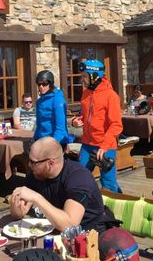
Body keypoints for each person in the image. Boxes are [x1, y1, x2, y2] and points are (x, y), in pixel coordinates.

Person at [10, 137, 116, 232]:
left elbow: (70, 225)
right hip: (55, 231)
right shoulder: (37, 174)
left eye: (34, 162)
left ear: (50, 163)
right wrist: (17, 211)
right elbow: (18, 213)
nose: (29, 165)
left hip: (90, 235)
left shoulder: (78, 177)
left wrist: (37, 198)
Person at [69, 60, 123, 193]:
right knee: (80, 177)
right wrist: (75, 121)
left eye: (85, 76)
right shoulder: (86, 93)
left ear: (94, 75)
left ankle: (114, 209)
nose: (83, 79)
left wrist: (104, 147)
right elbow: (84, 114)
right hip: (87, 143)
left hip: (106, 145)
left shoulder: (111, 96)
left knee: (108, 182)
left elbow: (116, 125)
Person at [34, 70, 73, 146]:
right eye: (39, 84)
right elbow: (39, 125)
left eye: (44, 84)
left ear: (50, 84)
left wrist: (53, 144)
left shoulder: (57, 100)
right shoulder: (39, 101)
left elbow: (60, 127)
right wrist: (35, 138)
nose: (41, 86)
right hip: (42, 140)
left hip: (57, 141)